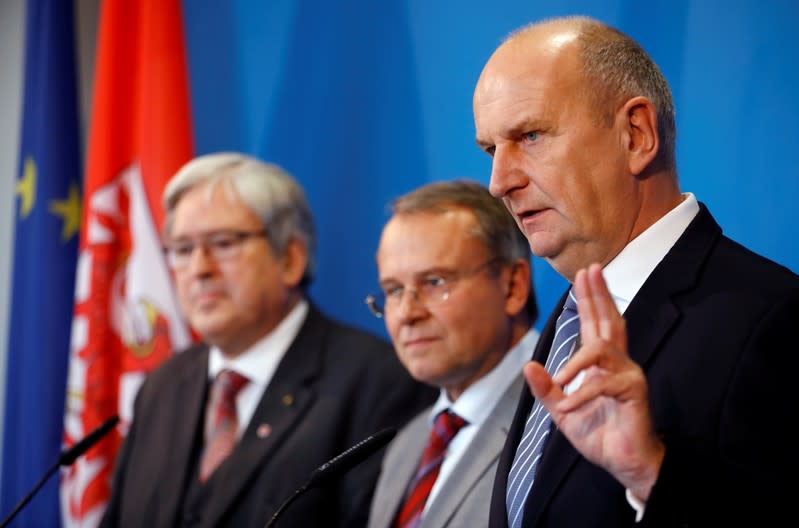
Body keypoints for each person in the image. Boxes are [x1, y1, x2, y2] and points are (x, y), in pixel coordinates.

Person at [472, 15, 799, 527]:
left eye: (530, 135)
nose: (498, 182)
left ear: (636, 134)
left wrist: (651, 474)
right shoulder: (568, 323)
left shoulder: (773, 319)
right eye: (492, 150)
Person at [99, 152, 437, 527]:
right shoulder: (163, 386)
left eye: (224, 243)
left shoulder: (379, 381)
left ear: (291, 258)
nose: (199, 269)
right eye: (182, 250)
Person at [366, 180, 539, 528]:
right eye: (394, 290)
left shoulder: (563, 419)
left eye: (434, 282)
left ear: (512, 286)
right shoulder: (408, 442)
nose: (406, 314)